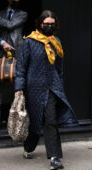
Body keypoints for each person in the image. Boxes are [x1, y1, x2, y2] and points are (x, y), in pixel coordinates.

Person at [14, 10, 78, 170]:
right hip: (33, 87)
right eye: (46, 24)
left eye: (52, 24)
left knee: (51, 120)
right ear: (39, 23)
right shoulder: (29, 42)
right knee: (35, 121)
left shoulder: (56, 41)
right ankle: (28, 147)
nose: (49, 26)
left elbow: (59, 68)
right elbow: (21, 67)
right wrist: (19, 88)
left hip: (52, 87)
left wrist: (59, 85)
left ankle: (55, 157)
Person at [0, 0, 28, 129]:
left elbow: (10, 25)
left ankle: (18, 118)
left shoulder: (23, 14)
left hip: (18, 54)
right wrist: (2, 43)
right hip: (2, 55)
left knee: (20, 86)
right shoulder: (1, 13)